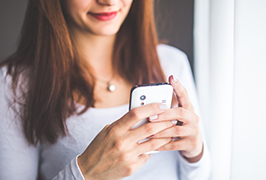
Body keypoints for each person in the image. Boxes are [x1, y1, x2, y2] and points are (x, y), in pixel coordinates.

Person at [0, 0, 211, 179]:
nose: (108, 1)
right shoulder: (14, 83)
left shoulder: (171, 63)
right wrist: (85, 172)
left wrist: (195, 154)